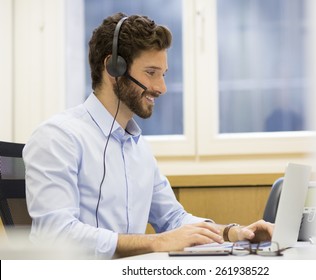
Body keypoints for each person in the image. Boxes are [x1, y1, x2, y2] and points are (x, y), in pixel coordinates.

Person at [23, 12, 273, 259]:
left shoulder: (137, 146)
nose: (162, 88)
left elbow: (173, 219)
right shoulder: (58, 137)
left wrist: (234, 233)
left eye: (163, 74)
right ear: (113, 69)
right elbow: (55, 234)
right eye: (151, 73)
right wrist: (157, 242)